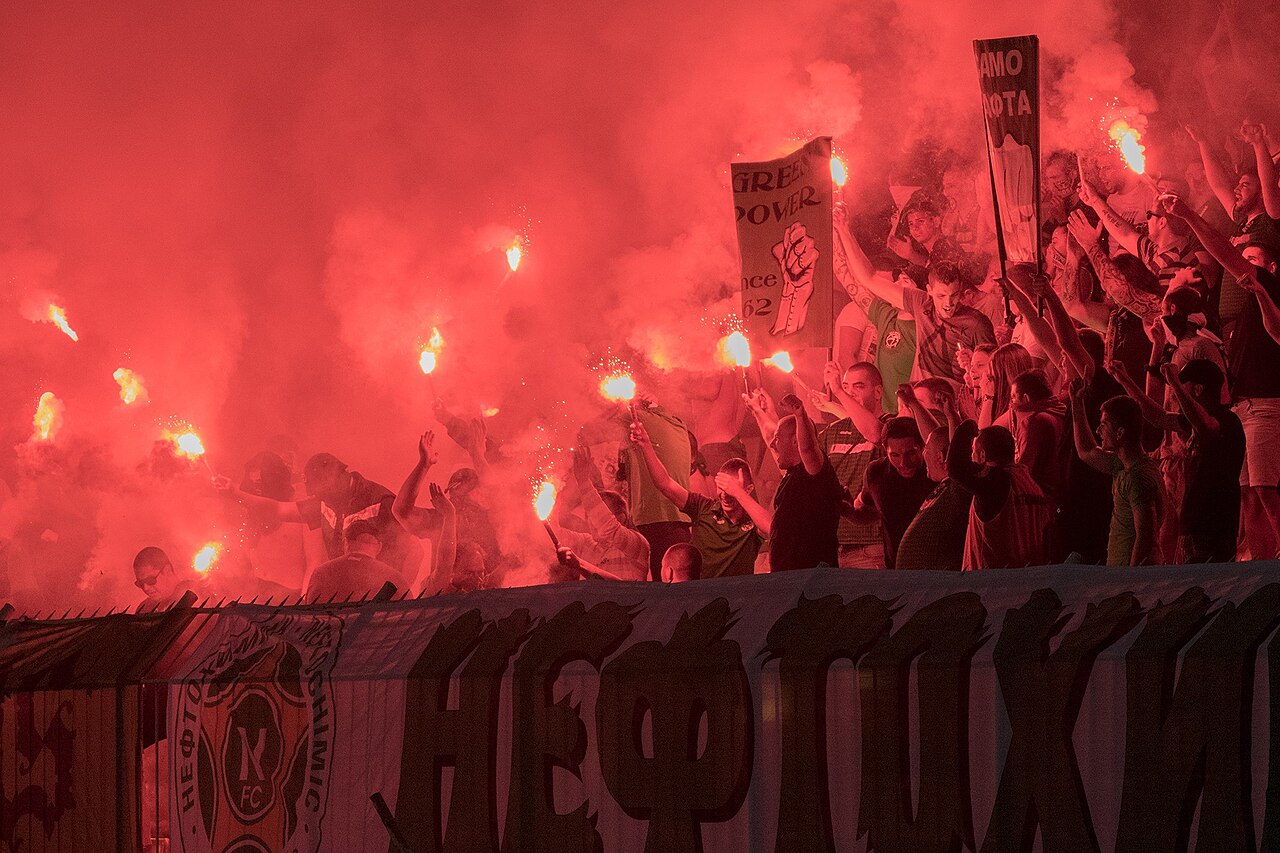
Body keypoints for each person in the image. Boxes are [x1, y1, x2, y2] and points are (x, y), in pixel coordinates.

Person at [1159, 193, 1280, 559]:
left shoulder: (1272, 289)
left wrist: (1189, 215)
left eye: (1252, 260)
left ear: (1271, 267)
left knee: (1266, 491)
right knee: (1248, 495)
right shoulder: (1243, 311)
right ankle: (1260, 569)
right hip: (1243, 407)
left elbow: (1224, 252)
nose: (1241, 267)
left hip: (1266, 404)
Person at [1112, 359, 1244, 563]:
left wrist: (1174, 382)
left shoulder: (1226, 419)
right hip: (1194, 525)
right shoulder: (1195, 422)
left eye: (1184, 385)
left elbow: (1206, 426)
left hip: (1214, 526)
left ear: (1198, 389)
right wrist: (1125, 381)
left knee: (1208, 581)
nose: (1176, 393)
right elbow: (1158, 417)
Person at [630, 419, 769, 578]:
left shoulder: (752, 522)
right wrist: (646, 445)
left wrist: (738, 492)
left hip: (734, 593)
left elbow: (771, 528)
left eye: (731, 489)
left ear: (748, 489)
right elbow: (665, 484)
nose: (725, 494)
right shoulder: (704, 507)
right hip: (700, 591)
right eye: (721, 487)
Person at [1069, 383, 1163, 566]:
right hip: (1122, 574)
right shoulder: (1121, 465)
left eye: (1104, 425)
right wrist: (1076, 401)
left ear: (1120, 432)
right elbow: (1086, 450)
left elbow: (1146, 537)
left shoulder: (1137, 477)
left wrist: (1129, 577)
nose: (1098, 430)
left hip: (1131, 576)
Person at [948, 420, 1051, 570]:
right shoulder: (1032, 486)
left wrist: (967, 427)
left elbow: (955, 467)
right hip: (1028, 576)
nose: (972, 457)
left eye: (973, 451)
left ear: (982, 455)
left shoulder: (995, 482)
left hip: (991, 579)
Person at [817, 362, 891, 568]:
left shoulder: (891, 423)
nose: (850, 392)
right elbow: (805, 463)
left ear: (877, 392)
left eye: (858, 386)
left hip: (872, 547)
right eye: (845, 386)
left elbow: (876, 434)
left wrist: (839, 392)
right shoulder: (833, 430)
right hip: (834, 544)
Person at [548, 446, 650, 582]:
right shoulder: (587, 543)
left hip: (625, 597)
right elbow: (553, 535)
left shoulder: (637, 544)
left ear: (621, 517)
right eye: (589, 516)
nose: (592, 520)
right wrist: (553, 493)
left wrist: (584, 482)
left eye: (598, 513)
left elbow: (608, 528)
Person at [766, 397, 842, 572]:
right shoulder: (790, 477)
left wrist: (800, 415)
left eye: (777, 438)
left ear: (796, 441)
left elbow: (808, 449)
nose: (772, 444)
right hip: (789, 578)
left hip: (814, 579)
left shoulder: (815, 473)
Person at [851, 416, 936, 568]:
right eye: (895, 455)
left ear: (922, 446)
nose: (904, 463)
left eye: (911, 453)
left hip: (937, 570)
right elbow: (869, 511)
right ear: (885, 449)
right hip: (896, 569)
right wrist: (847, 511)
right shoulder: (876, 472)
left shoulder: (936, 472)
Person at [894, 426, 971, 570]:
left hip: (938, 579)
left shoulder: (957, 488)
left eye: (926, 449)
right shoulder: (944, 487)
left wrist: (951, 416)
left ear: (940, 457)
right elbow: (938, 440)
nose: (923, 454)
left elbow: (957, 451)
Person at [305, 519, 408, 603]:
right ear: (379, 547)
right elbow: (410, 614)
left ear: (346, 543)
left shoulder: (321, 573)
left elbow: (309, 613)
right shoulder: (394, 577)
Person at [133, 547, 203, 611]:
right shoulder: (144, 609)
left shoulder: (197, 596)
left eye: (150, 580)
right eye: (140, 583)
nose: (145, 588)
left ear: (167, 571)